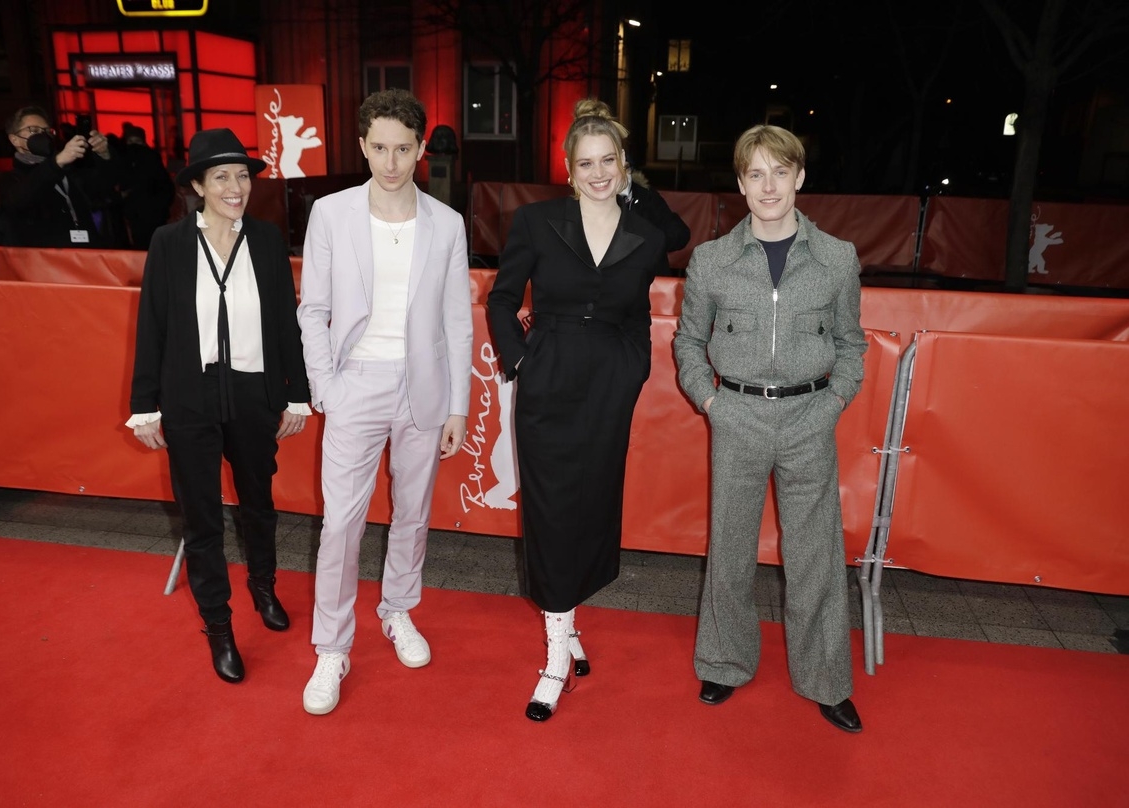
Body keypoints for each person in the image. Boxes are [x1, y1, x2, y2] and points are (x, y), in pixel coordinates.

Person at [672, 124, 869, 733]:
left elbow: (852, 343)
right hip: (737, 417)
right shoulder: (712, 261)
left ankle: (827, 679)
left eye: (779, 172)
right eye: (755, 174)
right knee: (729, 547)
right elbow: (687, 342)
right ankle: (724, 662)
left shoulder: (836, 258)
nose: (768, 186)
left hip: (810, 417)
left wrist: (836, 398)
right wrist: (709, 400)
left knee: (815, 555)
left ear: (800, 177)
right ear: (740, 183)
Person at [486, 98, 668, 722]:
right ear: (568, 169)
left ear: (623, 165)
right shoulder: (537, 222)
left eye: (608, 161)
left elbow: (640, 312)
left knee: (590, 503)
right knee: (549, 509)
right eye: (585, 163)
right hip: (548, 375)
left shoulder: (644, 235)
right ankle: (556, 654)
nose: (597, 173)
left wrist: (634, 371)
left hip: (609, 383)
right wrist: (520, 362)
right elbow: (502, 299)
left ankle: (566, 621)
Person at [296, 88, 472, 716]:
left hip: (422, 386)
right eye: (379, 148)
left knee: (413, 511)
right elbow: (313, 308)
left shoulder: (446, 224)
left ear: (421, 149)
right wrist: (327, 387)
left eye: (403, 149)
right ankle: (332, 646)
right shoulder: (331, 214)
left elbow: (458, 320)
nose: (391, 162)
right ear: (363, 145)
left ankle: (398, 611)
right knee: (341, 521)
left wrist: (458, 405)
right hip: (356, 383)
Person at [127, 128, 312, 684]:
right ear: (199, 185)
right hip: (189, 398)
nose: (235, 187)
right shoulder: (170, 242)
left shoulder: (265, 239)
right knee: (201, 517)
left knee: (258, 504)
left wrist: (297, 392)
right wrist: (145, 406)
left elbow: (285, 323)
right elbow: (153, 326)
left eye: (242, 176)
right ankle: (219, 626)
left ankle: (263, 586)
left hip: (254, 395)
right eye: (222, 177)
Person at [0, 105, 121, 248]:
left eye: (47, 131)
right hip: (46, 263)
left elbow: (108, 186)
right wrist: (56, 163)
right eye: (33, 130)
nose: (43, 135)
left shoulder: (70, 170)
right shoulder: (10, 180)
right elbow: (20, 199)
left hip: (85, 257)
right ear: (14, 139)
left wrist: (104, 155)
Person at [117, 123, 176, 251]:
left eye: (137, 141)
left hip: (148, 214)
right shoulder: (147, 158)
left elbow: (165, 188)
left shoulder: (149, 159)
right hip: (142, 215)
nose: (134, 146)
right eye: (131, 141)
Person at [620, 162, 691, 261]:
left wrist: (650, 241)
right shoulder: (595, 200)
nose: (622, 173)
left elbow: (679, 233)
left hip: (648, 271)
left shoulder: (646, 197)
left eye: (626, 168)